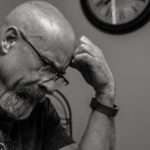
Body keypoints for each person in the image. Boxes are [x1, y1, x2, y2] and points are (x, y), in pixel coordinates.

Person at [0, 1, 118, 150]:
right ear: (9, 40)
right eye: (48, 67)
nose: (50, 88)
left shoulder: (39, 109)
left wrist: (105, 92)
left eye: (56, 75)